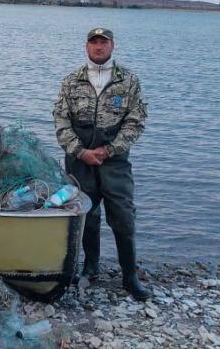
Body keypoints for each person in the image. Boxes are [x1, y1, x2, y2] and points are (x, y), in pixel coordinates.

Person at [52, 27, 151, 301]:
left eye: (103, 42)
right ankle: (90, 267)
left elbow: (136, 122)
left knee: (123, 215)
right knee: (87, 215)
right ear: (86, 47)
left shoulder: (128, 81)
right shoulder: (71, 81)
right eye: (93, 42)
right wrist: (80, 151)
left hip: (114, 161)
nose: (98, 47)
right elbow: (60, 121)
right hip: (80, 161)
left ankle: (130, 275)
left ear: (112, 46)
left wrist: (109, 150)